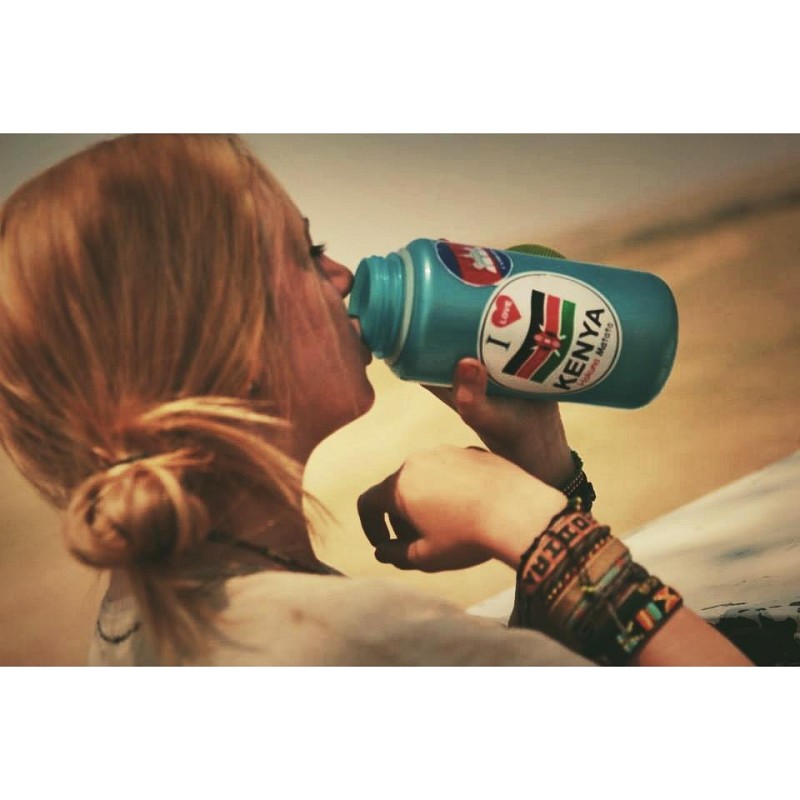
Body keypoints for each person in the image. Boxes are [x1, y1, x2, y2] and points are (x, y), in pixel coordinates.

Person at [0, 134, 751, 666]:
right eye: (305, 252)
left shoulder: (148, 614)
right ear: (223, 337)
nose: (343, 274)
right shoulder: (342, 645)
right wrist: (526, 523)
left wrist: (539, 466)